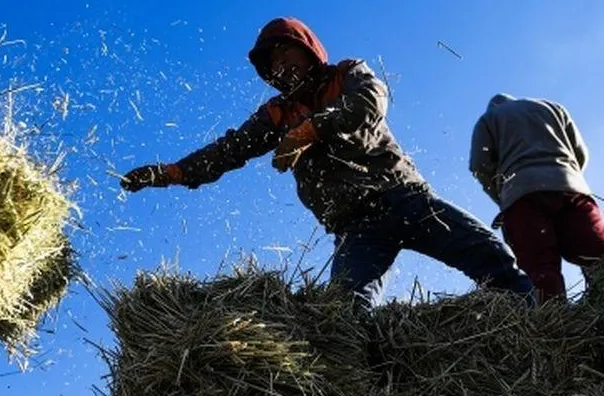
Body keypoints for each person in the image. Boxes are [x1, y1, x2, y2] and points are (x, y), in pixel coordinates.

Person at [121, 17, 533, 306]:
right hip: (355, 225)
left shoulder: (347, 73)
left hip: (404, 197)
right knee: (344, 313)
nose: (281, 67)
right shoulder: (276, 113)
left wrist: (310, 131)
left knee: (489, 255)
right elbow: (230, 149)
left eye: (285, 53)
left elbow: (370, 103)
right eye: (272, 64)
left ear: (307, 49)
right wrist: (173, 172)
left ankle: (546, 324)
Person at [470, 93, 604, 303]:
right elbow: (581, 153)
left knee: (540, 269)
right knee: (596, 254)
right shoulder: (552, 108)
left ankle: (553, 319)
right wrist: (568, 175)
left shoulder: (489, 119)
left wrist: (503, 196)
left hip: (522, 196)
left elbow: (479, 165)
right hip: (572, 188)